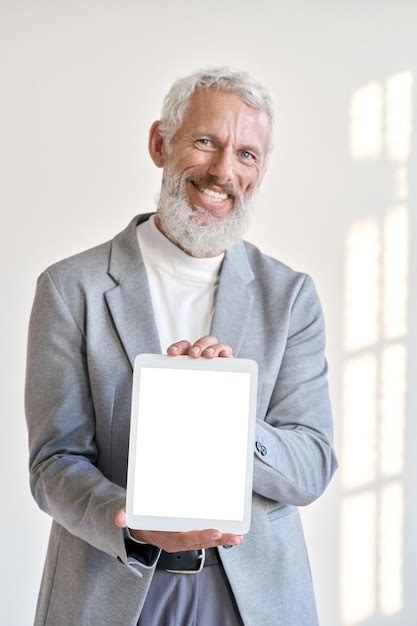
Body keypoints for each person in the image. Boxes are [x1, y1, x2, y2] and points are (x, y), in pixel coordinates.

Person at [25, 67, 338, 626]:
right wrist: (133, 522)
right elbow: (54, 463)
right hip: (113, 588)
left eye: (247, 154)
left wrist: (225, 415)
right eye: (205, 142)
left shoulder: (289, 297)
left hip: (253, 598)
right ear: (159, 143)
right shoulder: (72, 287)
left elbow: (310, 466)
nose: (224, 171)